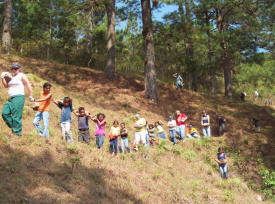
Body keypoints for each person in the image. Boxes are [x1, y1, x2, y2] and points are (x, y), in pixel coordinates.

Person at [1, 63, 33, 136]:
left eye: (16, 68)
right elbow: (6, 85)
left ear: (19, 69)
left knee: (16, 115)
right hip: (10, 98)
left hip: (18, 97)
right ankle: (15, 127)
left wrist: (30, 95)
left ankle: (17, 133)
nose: (14, 70)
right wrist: (2, 77)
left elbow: (28, 84)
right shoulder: (11, 76)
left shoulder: (21, 75)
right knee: (4, 113)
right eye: (13, 68)